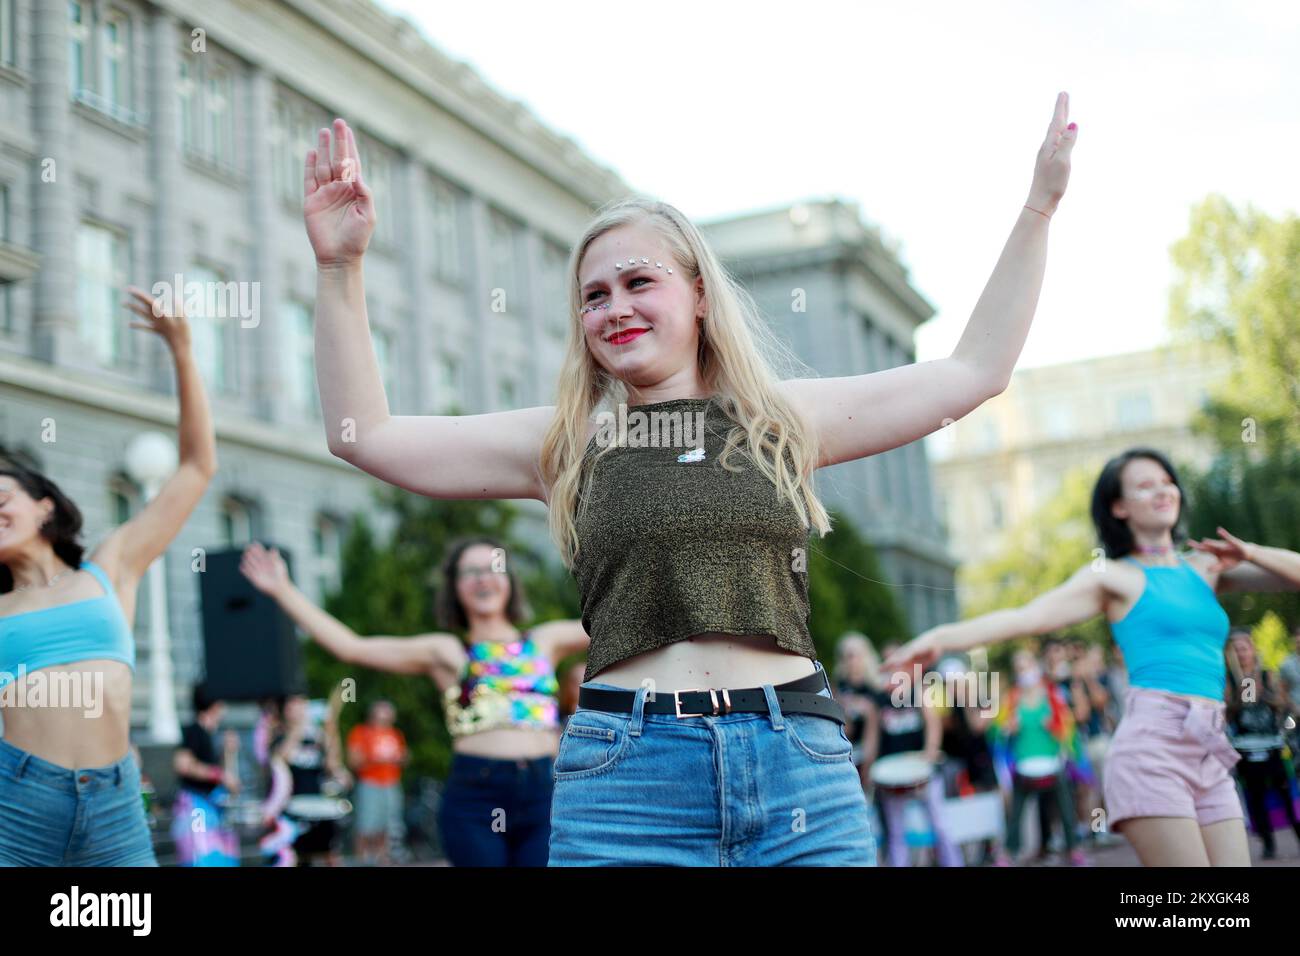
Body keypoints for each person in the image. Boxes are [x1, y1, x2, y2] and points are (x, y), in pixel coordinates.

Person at [303, 95, 1077, 864]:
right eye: (594, 296)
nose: (616, 309)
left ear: (700, 293)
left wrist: (1038, 209)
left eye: (640, 282)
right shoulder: (565, 440)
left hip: (797, 769)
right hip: (628, 781)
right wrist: (340, 268)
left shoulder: (780, 418)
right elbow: (363, 437)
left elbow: (975, 370)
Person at [888, 448, 1300, 866]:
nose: (1162, 490)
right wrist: (941, 637)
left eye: (1166, 481)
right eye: (1144, 485)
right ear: (1118, 507)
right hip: (1153, 749)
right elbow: (1027, 616)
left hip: (1210, 747)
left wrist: (1248, 551)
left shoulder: (1209, 567)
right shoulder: (1114, 577)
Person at [0, 287, 216, 866]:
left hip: (115, 802)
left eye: (2, 496)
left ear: (45, 505)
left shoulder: (111, 566)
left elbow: (197, 468)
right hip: (16, 804)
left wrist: (182, 350)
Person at [240, 536, 587, 866]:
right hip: (477, 798)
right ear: (455, 587)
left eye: (493, 567)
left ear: (509, 579)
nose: (483, 578)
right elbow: (351, 646)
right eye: (470, 571)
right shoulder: (446, 651)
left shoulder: (545, 641)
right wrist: (282, 590)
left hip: (545, 793)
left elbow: (616, 621)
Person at [866, 643, 964, 867]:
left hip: (922, 771)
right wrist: (870, 769)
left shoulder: (919, 690)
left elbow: (933, 724)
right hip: (890, 775)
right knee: (896, 833)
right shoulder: (878, 699)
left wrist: (929, 753)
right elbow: (873, 737)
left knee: (940, 826)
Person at [993, 648, 1088, 866]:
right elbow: (997, 731)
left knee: (1066, 809)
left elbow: (1069, 726)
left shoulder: (1053, 694)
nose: (1024, 672)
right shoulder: (1012, 699)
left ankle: (1073, 848)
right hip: (1023, 764)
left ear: (1035, 667)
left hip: (1053, 762)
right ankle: (1008, 852)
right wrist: (1008, 727)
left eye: (1026, 666)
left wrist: (1056, 726)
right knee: (1016, 813)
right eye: (1019, 668)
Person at [1224, 628, 1300, 859]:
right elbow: (1228, 712)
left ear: (1252, 649)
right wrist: (1238, 695)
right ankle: (1268, 843)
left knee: (1286, 793)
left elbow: (1282, 703)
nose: (1242, 654)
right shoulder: (1228, 678)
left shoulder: (1267, 675)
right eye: (1236, 650)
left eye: (1244, 648)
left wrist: (1265, 694)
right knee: (1255, 796)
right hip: (1245, 746)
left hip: (1272, 744)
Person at [171, 685, 242, 866]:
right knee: (200, 855)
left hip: (211, 806)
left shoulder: (214, 734)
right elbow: (183, 764)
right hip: (196, 807)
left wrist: (229, 752)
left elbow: (230, 780)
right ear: (215, 704)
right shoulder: (195, 730)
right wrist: (220, 775)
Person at [346, 699, 408, 866]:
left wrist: (402, 759)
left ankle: (382, 861)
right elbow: (353, 761)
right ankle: (362, 861)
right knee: (365, 827)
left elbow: (403, 757)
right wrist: (377, 759)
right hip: (370, 784)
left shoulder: (395, 734)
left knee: (386, 827)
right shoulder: (360, 732)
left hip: (391, 784)